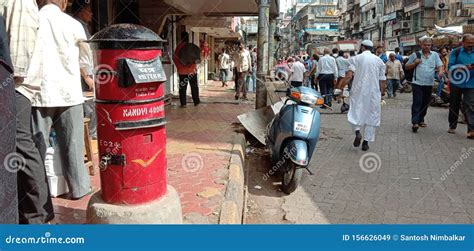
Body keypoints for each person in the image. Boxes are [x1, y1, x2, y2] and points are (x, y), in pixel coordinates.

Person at [27, 0, 93, 200]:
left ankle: (39, 194)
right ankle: (79, 189)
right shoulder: (73, 24)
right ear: (63, 2)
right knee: (72, 145)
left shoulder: (33, 19)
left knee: (36, 147)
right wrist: (87, 77)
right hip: (69, 92)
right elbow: (85, 59)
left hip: (39, 93)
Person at [1, 0, 55, 224]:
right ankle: (30, 210)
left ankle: (36, 214)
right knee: (17, 143)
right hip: (12, 83)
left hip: (15, 84)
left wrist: (9, 83)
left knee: (20, 142)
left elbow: (20, 49)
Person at [343, 40, 386, 151]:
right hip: (374, 93)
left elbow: (349, 75)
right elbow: (382, 80)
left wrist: (340, 87)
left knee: (355, 112)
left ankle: (357, 132)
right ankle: (366, 142)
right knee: (372, 115)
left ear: (362, 47)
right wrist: (382, 93)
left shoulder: (356, 58)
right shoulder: (379, 61)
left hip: (358, 91)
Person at [405, 36, 444, 133]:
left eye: (429, 45)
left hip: (429, 83)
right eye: (425, 45)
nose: (427, 47)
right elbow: (406, 66)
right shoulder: (415, 55)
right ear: (421, 45)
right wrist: (414, 63)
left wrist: (440, 72)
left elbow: (440, 65)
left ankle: (421, 119)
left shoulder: (434, 55)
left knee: (425, 103)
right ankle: (415, 122)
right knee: (417, 102)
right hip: (417, 83)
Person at [71, 0, 96, 139]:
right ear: (81, 12)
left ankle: (91, 133)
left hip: (88, 70)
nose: (91, 14)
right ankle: (89, 135)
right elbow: (78, 55)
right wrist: (86, 76)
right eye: (88, 10)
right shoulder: (77, 25)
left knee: (90, 105)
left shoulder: (83, 26)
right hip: (83, 72)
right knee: (88, 106)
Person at [447, 34, 474, 139]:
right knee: (454, 104)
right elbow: (450, 67)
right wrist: (463, 67)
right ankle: (452, 126)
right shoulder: (456, 52)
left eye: (473, 43)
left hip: (471, 83)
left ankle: (471, 130)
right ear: (463, 42)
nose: (471, 45)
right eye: (469, 43)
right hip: (456, 82)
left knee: (470, 105)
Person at [173, 31, 200, 107]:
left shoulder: (179, 47)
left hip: (182, 72)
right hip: (192, 71)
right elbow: (197, 59)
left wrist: (179, 67)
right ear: (188, 38)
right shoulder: (192, 46)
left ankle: (183, 104)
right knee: (194, 86)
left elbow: (175, 58)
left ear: (181, 38)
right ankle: (196, 101)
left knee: (182, 87)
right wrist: (193, 66)